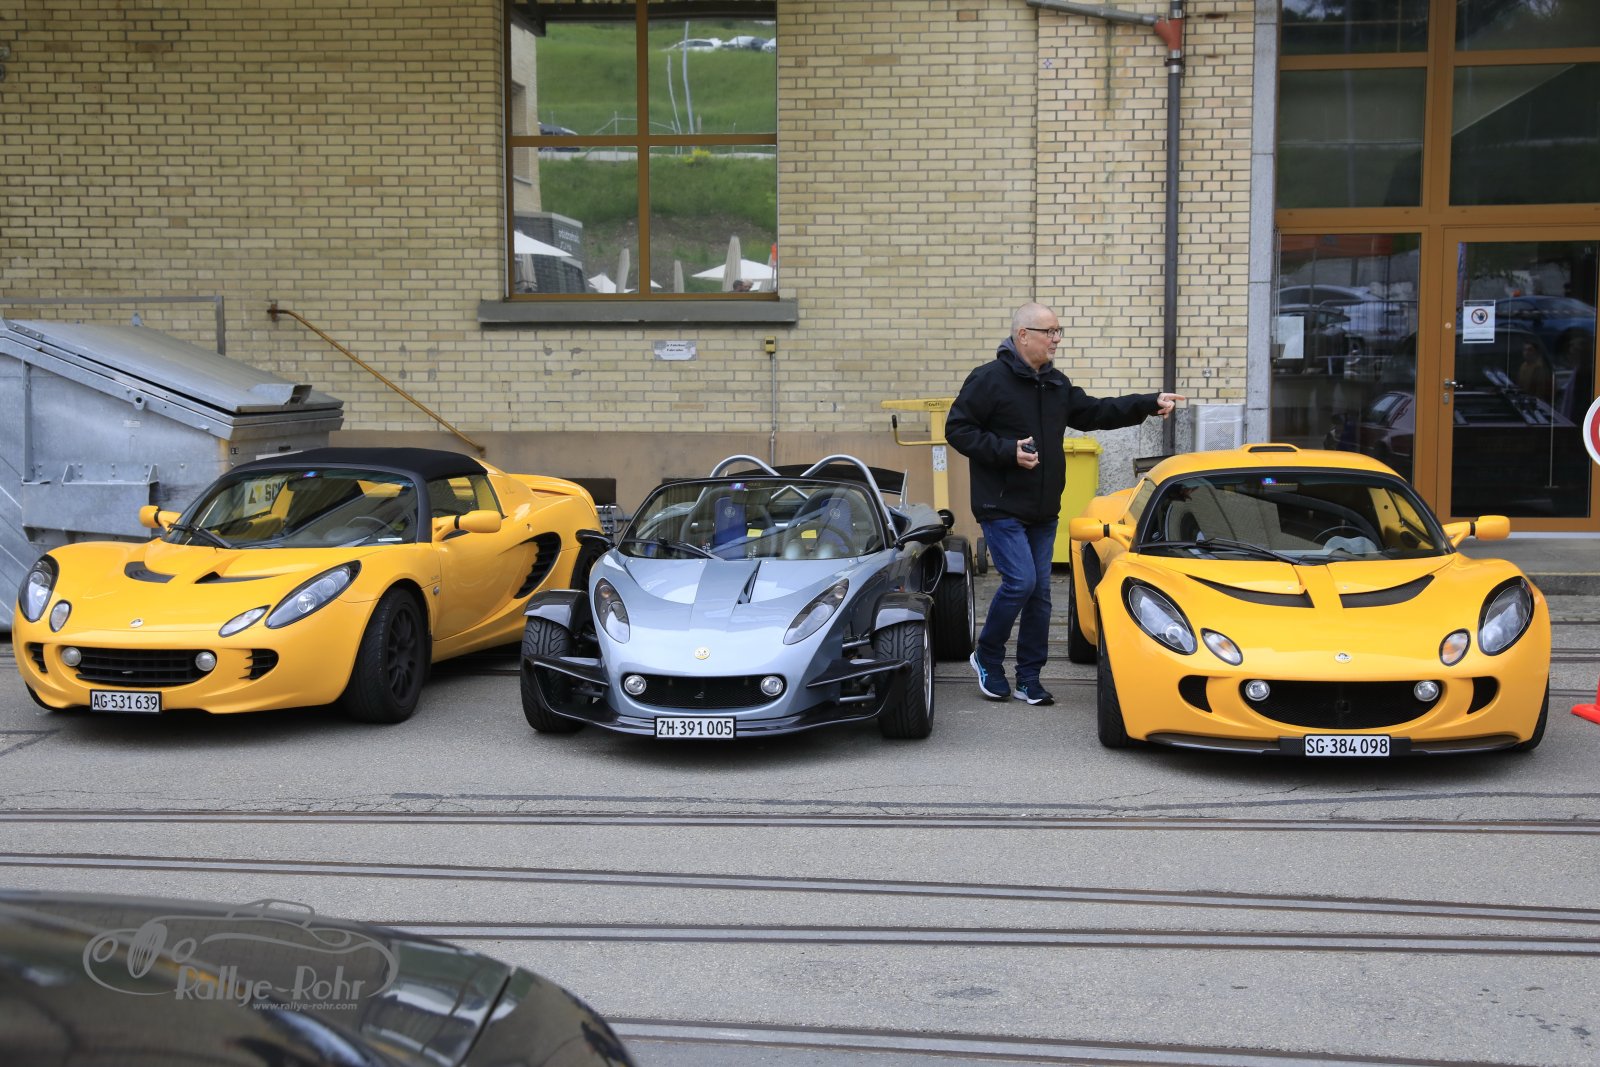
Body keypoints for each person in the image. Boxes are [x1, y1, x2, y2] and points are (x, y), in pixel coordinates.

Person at [946, 302, 1183, 706]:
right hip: (1000, 505)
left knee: (1041, 594)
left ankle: (1028, 677)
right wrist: (1006, 451)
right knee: (1021, 582)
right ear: (1023, 335)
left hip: (1042, 509)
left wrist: (1147, 402)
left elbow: (1095, 412)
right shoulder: (988, 379)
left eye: (1059, 331)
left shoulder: (1055, 384)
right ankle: (987, 655)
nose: (1056, 339)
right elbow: (958, 428)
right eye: (1049, 332)